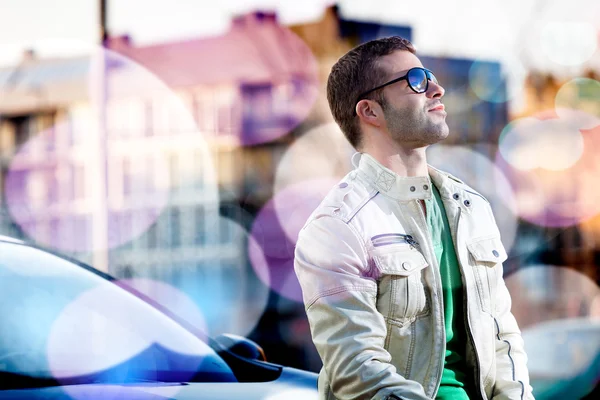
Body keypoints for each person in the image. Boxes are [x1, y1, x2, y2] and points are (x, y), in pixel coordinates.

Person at [293, 36, 534, 400]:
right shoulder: (337, 227)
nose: (436, 89)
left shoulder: (471, 208)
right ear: (370, 111)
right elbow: (358, 371)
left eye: (431, 77)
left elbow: (503, 339)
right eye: (416, 81)